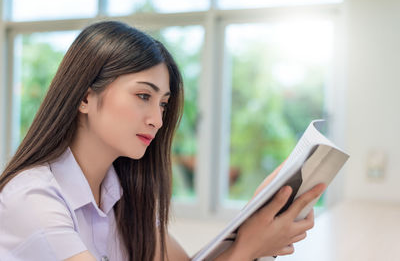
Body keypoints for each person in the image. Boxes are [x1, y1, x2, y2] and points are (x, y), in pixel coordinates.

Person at [0, 20, 325, 261]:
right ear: (85, 97)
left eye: (164, 103)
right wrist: (248, 248)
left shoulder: (122, 194)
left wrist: (252, 221)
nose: (157, 119)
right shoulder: (32, 199)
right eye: (143, 95)